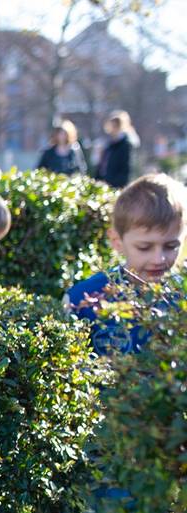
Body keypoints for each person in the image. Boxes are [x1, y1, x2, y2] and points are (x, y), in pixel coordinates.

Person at [66, 173, 186, 355]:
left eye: (171, 246)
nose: (159, 259)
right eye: (144, 247)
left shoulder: (182, 298)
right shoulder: (81, 300)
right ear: (117, 241)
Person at [94, 110, 139, 189]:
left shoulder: (126, 145)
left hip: (117, 187)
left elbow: (126, 171)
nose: (112, 129)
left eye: (116, 126)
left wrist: (113, 184)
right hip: (105, 185)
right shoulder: (109, 144)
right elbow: (102, 166)